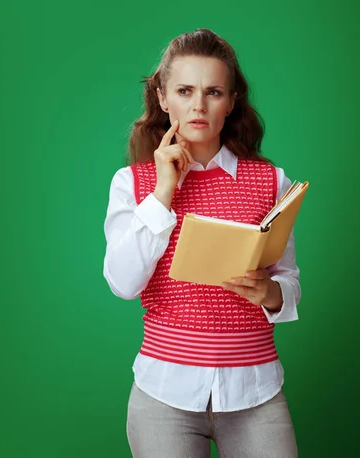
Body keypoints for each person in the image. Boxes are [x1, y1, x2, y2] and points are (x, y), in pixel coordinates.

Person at [103, 28, 301, 458]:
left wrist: (272, 293)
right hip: (163, 395)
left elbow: (288, 277)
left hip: (256, 392)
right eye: (185, 90)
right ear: (162, 97)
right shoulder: (132, 184)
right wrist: (162, 195)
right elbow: (122, 283)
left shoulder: (271, 181)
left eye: (213, 92)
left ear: (231, 101)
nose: (198, 105)